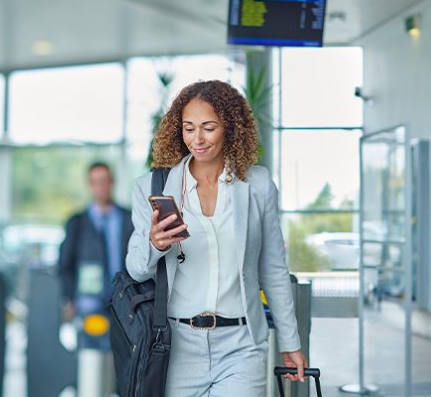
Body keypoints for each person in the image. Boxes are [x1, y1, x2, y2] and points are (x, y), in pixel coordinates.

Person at [125, 80, 307, 396]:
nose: (198, 139)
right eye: (189, 128)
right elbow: (136, 270)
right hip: (177, 345)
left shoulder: (258, 185)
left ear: (230, 127)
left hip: (241, 345)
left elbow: (273, 270)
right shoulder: (150, 187)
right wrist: (154, 244)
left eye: (209, 127)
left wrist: (290, 342)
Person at [59, 163, 133, 319]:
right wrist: (69, 298)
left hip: (124, 302)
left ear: (112, 182)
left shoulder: (129, 218)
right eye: (97, 182)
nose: (102, 186)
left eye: (105, 180)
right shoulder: (76, 223)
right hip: (88, 303)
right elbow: (65, 263)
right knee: (89, 343)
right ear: (90, 185)